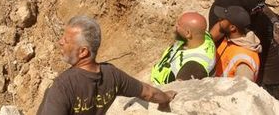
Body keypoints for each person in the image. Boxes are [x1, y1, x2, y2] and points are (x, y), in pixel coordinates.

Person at [36, 15, 176, 114]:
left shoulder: (63, 86)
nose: (60, 42)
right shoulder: (112, 75)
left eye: (66, 41)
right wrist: (165, 97)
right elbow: (148, 93)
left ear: (83, 52)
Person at [150, 12, 217, 85]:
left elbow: (179, 89)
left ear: (188, 33)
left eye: (178, 26)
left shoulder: (194, 66)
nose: (175, 27)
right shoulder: (202, 36)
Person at [212, 6, 261, 82]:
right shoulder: (230, 39)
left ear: (232, 28)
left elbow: (243, 89)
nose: (219, 20)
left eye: (222, 19)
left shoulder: (244, 61)